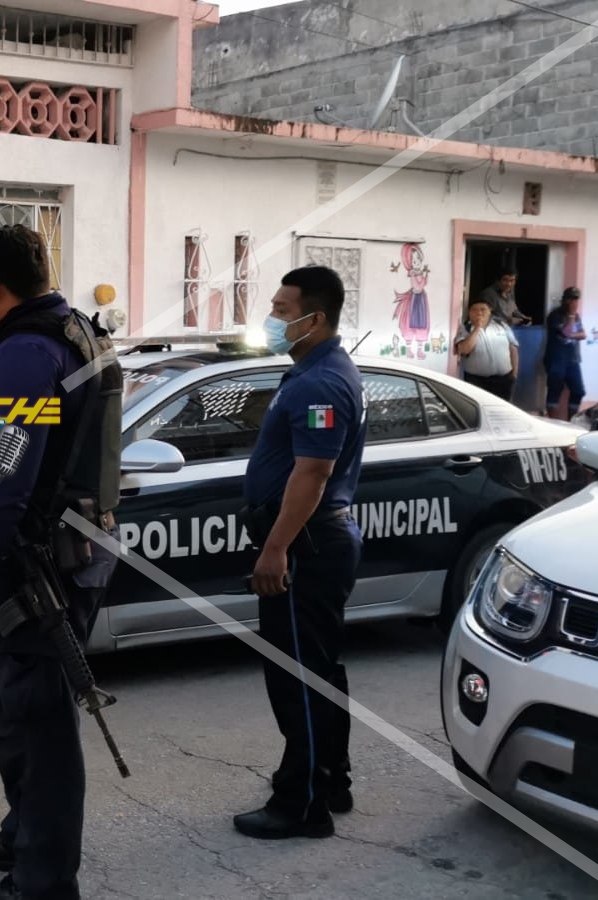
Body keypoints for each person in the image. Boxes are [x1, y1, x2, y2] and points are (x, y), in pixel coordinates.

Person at [0, 225, 123, 900]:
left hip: (37, 562)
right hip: (70, 548)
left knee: (37, 724)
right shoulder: (76, 332)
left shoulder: (23, 354)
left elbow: (3, 487)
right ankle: (22, 839)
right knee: (16, 711)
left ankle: (43, 881)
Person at [234, 266, 367, 840]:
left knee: (299, 678)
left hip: (305, 546)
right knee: (319, 669)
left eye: (282, 310)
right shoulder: (314, 371)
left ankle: (302, 805)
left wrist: (276, 549)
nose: (272, 318)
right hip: (312, 541)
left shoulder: (320, 383)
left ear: (315, 319)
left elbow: (312, 474)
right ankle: (329, 779)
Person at [454, 298, 520, 401]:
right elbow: (464, 350)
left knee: (502, 408)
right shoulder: (465, 328)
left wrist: (514, 374)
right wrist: (477, 328)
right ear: (469, 313)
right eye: (474, 310)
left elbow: (513, 348)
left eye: (483, 309)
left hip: (504, 380)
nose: (479, 313)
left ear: (490, 311)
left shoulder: (501, 325)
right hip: (476, 382)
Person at [544, 287, 588, 420]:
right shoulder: (555, 316)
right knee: (554, 391)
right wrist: (570, 316)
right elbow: (567, 332)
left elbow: (583, 334)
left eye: (576, 299)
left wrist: (572, 333)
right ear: (565, 300)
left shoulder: (577, 316)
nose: (574, 302)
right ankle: (552, 423)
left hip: (573, 360)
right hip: (556, 360)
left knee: (579, 391)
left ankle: (571, 422)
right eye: (571, 299)